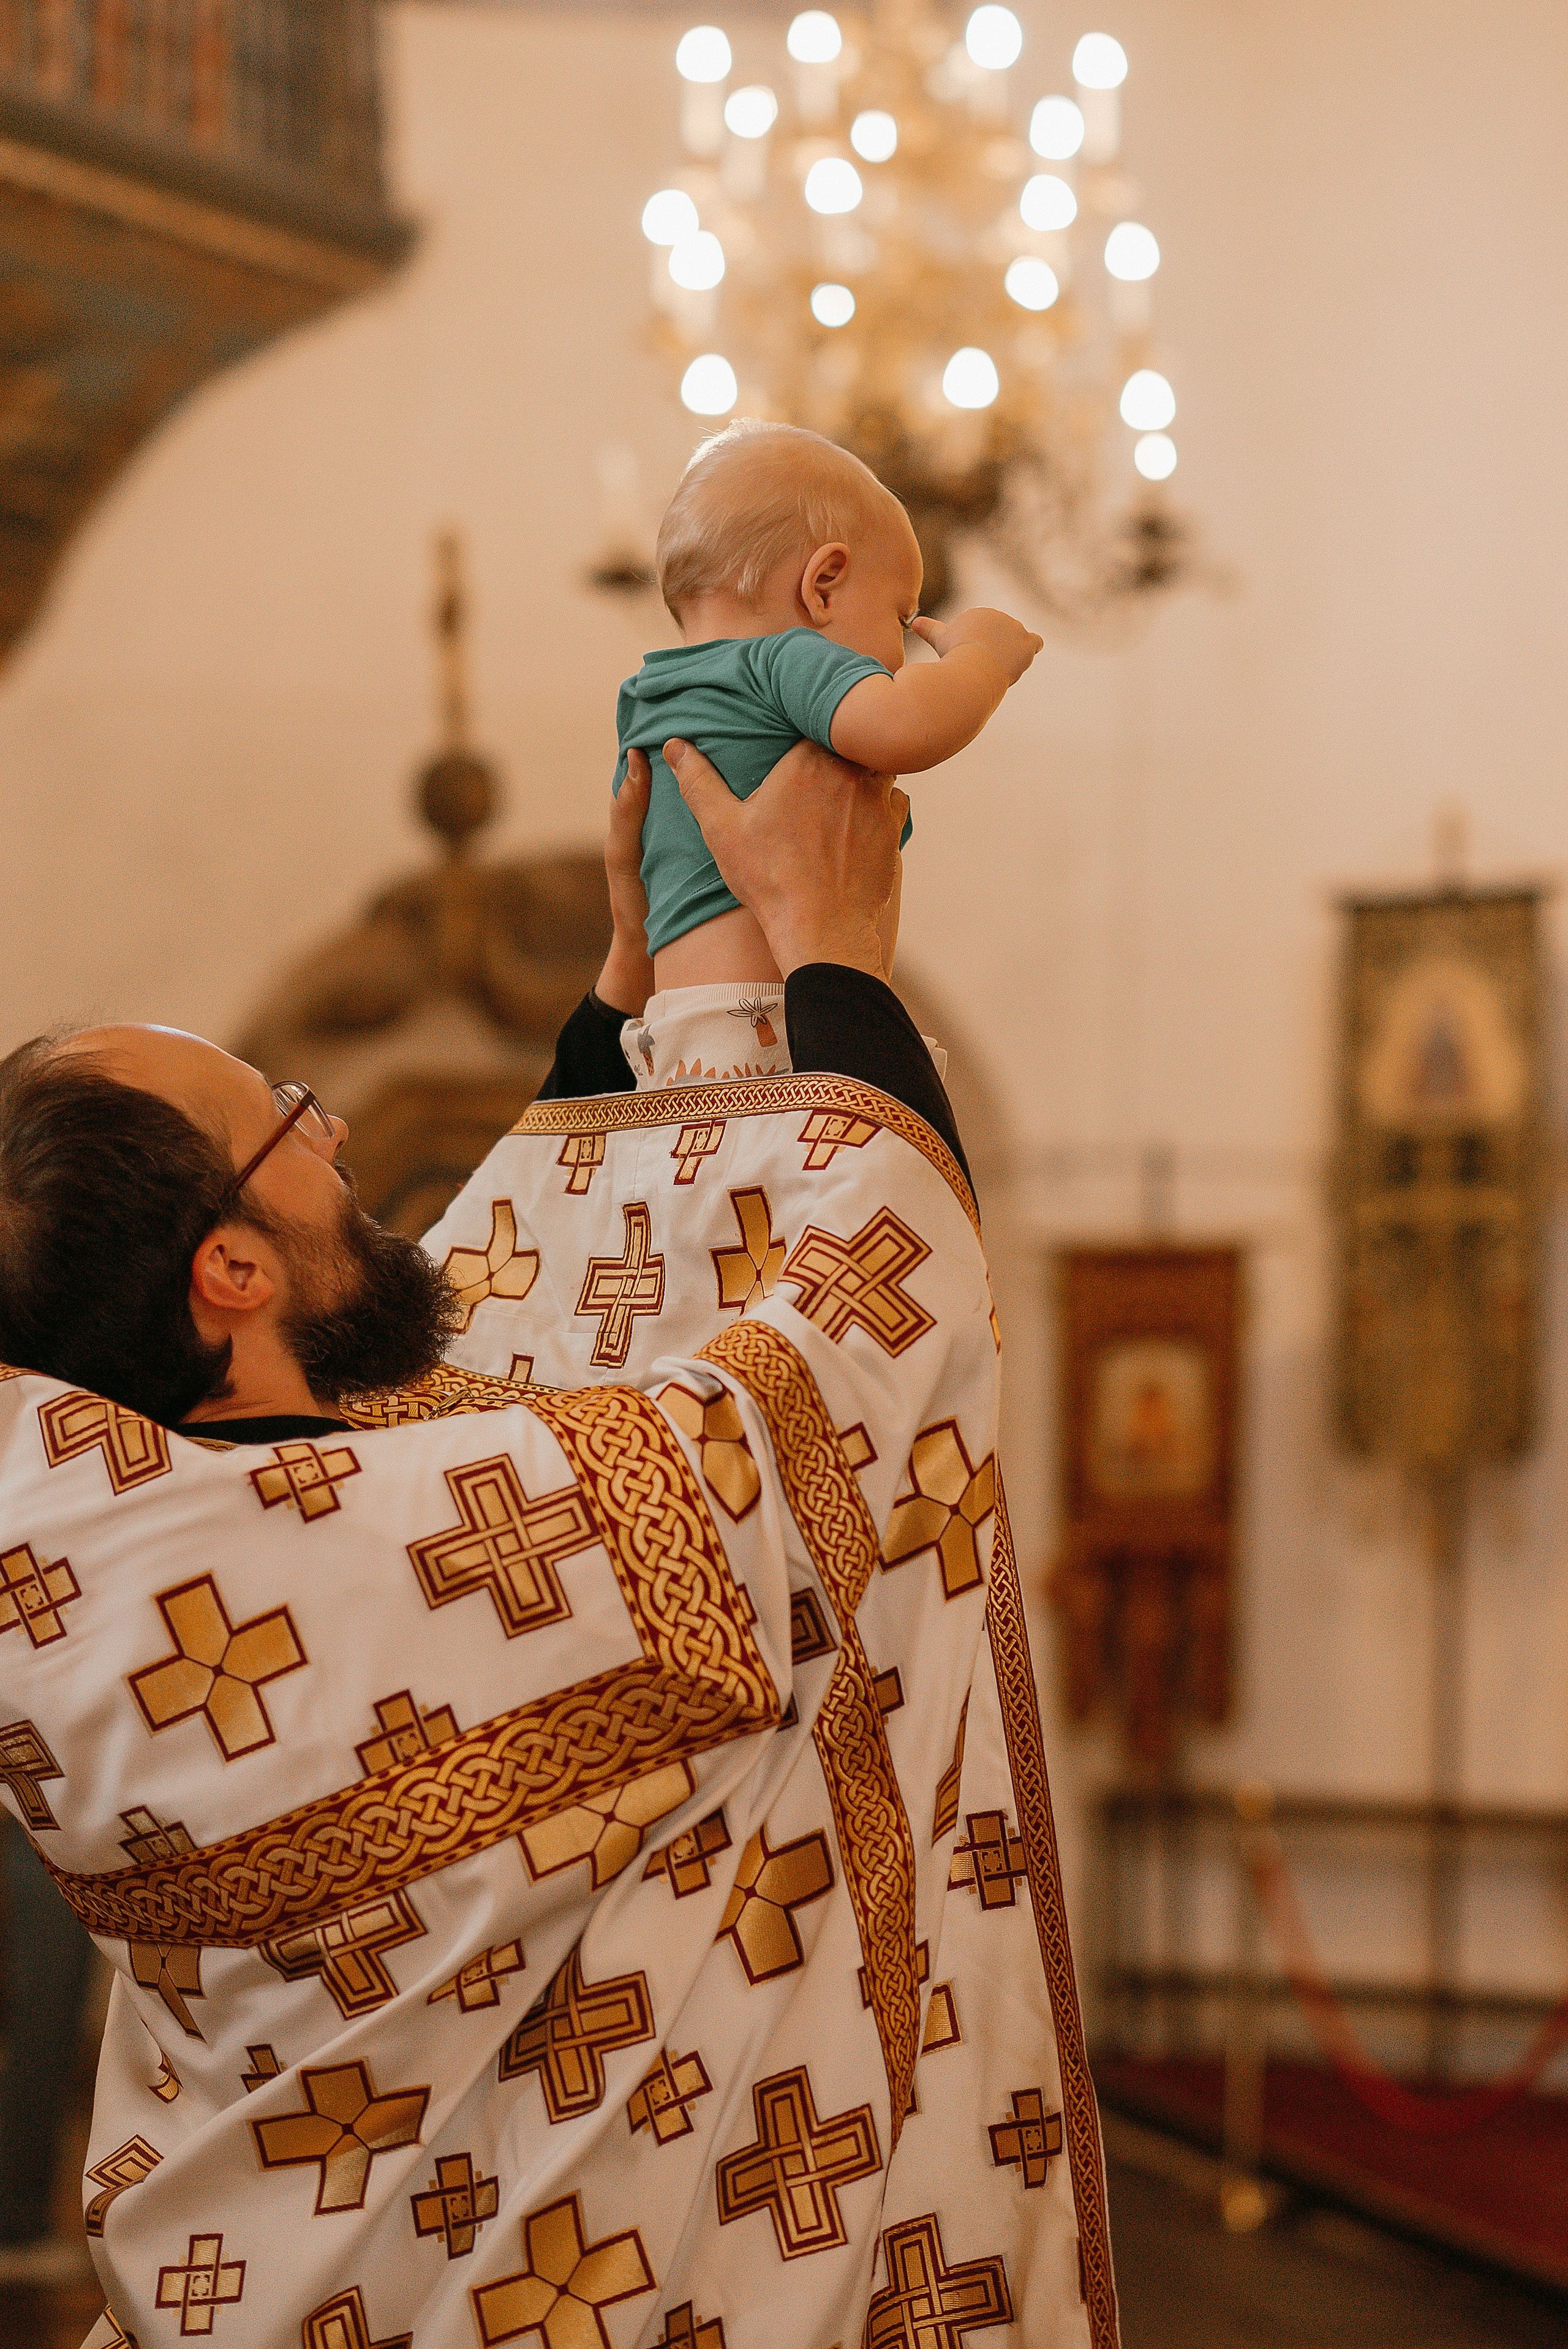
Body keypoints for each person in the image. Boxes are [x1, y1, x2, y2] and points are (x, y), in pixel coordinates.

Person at [0, 742, 1116, 2348]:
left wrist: (619, 1004)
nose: (336, 1134)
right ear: (231, 1272)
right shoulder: (402, 1540)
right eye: (288, 1120)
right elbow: (839, 1373)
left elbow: (499, 1329)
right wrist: (835, 965)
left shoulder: (98, 1552)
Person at [611, 419, 1042, 1090]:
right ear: (824, 585)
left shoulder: (645, 698)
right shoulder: (783, 659)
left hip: (672, 1048)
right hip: (776, 1033)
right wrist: (982, 658)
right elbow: (909, 725)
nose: (900, 654)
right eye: (900, 618)